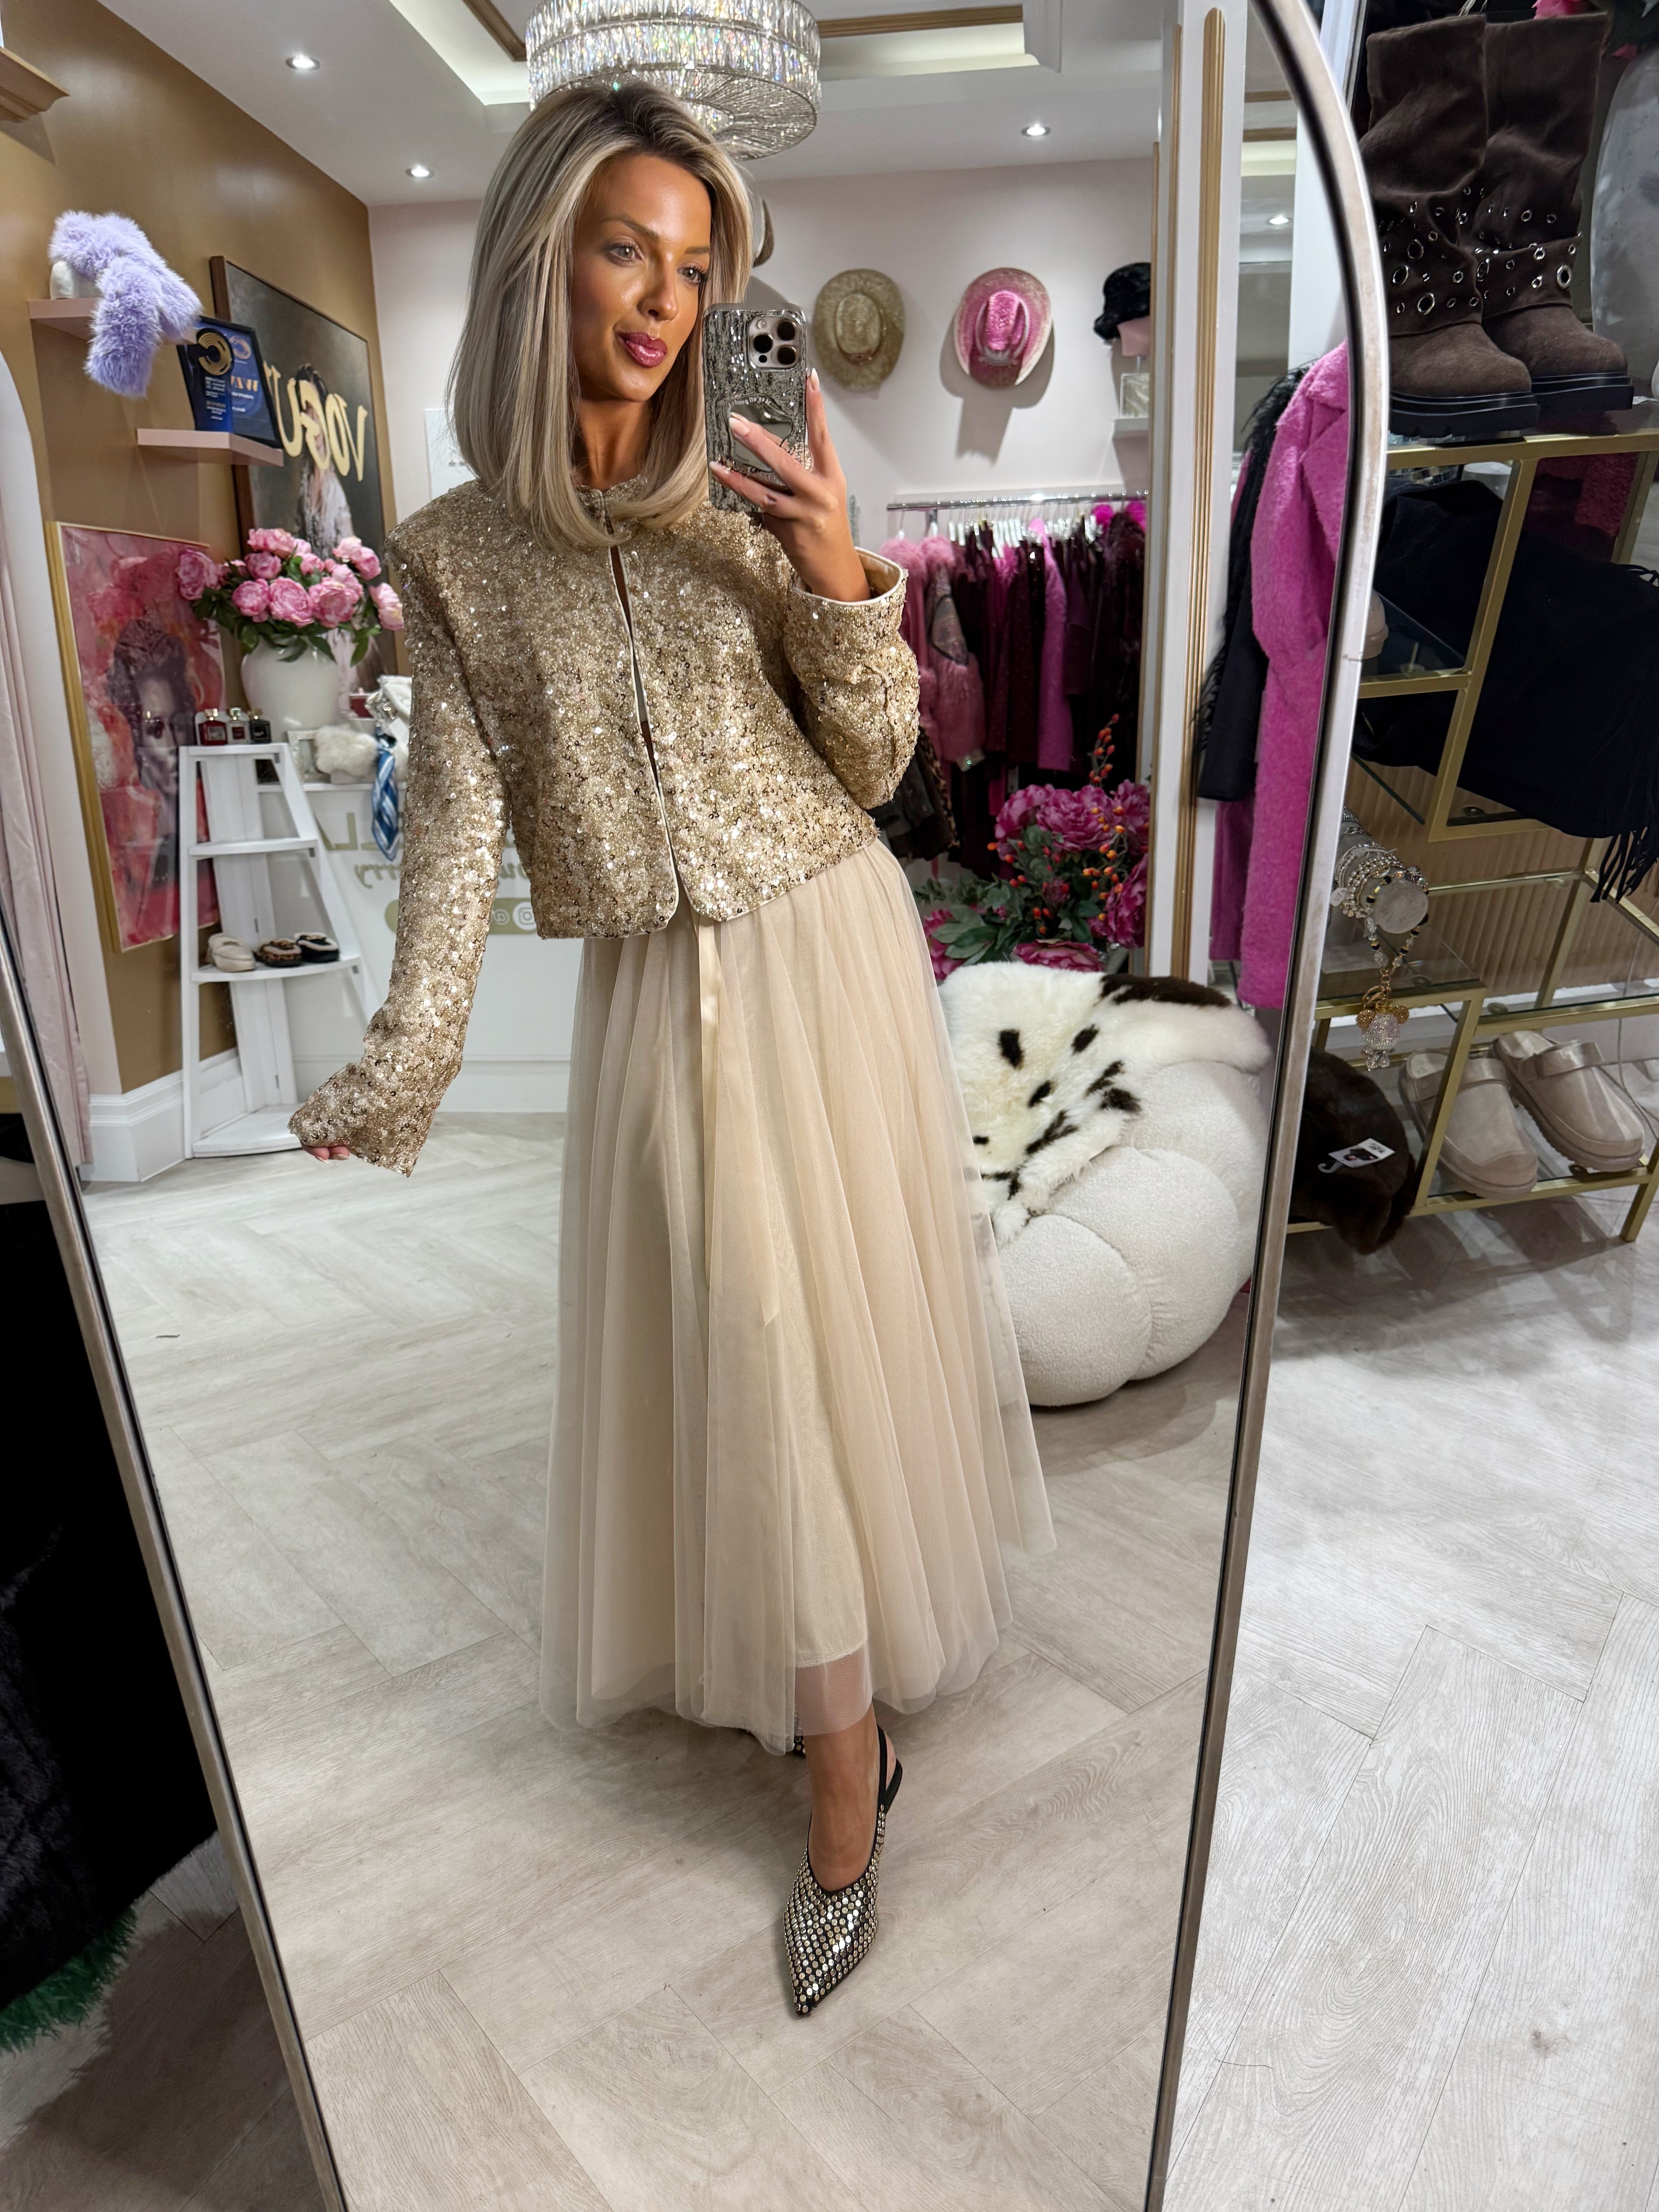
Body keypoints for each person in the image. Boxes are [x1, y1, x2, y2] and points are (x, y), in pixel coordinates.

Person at [290, 80, 1051, 2016]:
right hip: (651, 990)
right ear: (541, 259)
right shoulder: (458, 558)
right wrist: (407, 1058)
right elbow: (455, 830)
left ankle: (844, 1765)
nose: (662, 298)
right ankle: (821, 1678)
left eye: (696, 265)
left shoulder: (749, 482)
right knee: (736, 1330)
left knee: (817, 1327)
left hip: (822, 938)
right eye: (626, 249)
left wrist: (839, 570)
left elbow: (874, 762)